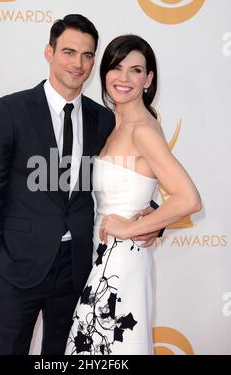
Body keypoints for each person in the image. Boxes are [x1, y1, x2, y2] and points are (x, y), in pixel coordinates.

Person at [0, 16, 160, 355]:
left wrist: (153, 220)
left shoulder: (104, 118)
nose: (78, 64)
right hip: (16, 269)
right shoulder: (10, 111)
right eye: (69, 52)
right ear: (49, 52)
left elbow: (132, 175)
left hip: (77, 270)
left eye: (87, 56)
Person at [65, 34, 202, 355]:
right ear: (104, 72)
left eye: (136, 70)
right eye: (116, 68)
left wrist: (129, 228)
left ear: (149, 79)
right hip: (102, 257)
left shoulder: (143, 129)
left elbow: (188, 198)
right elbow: (140, 185)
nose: (124, 78)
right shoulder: (111, 124)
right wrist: (153, 216)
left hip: (122, 261)